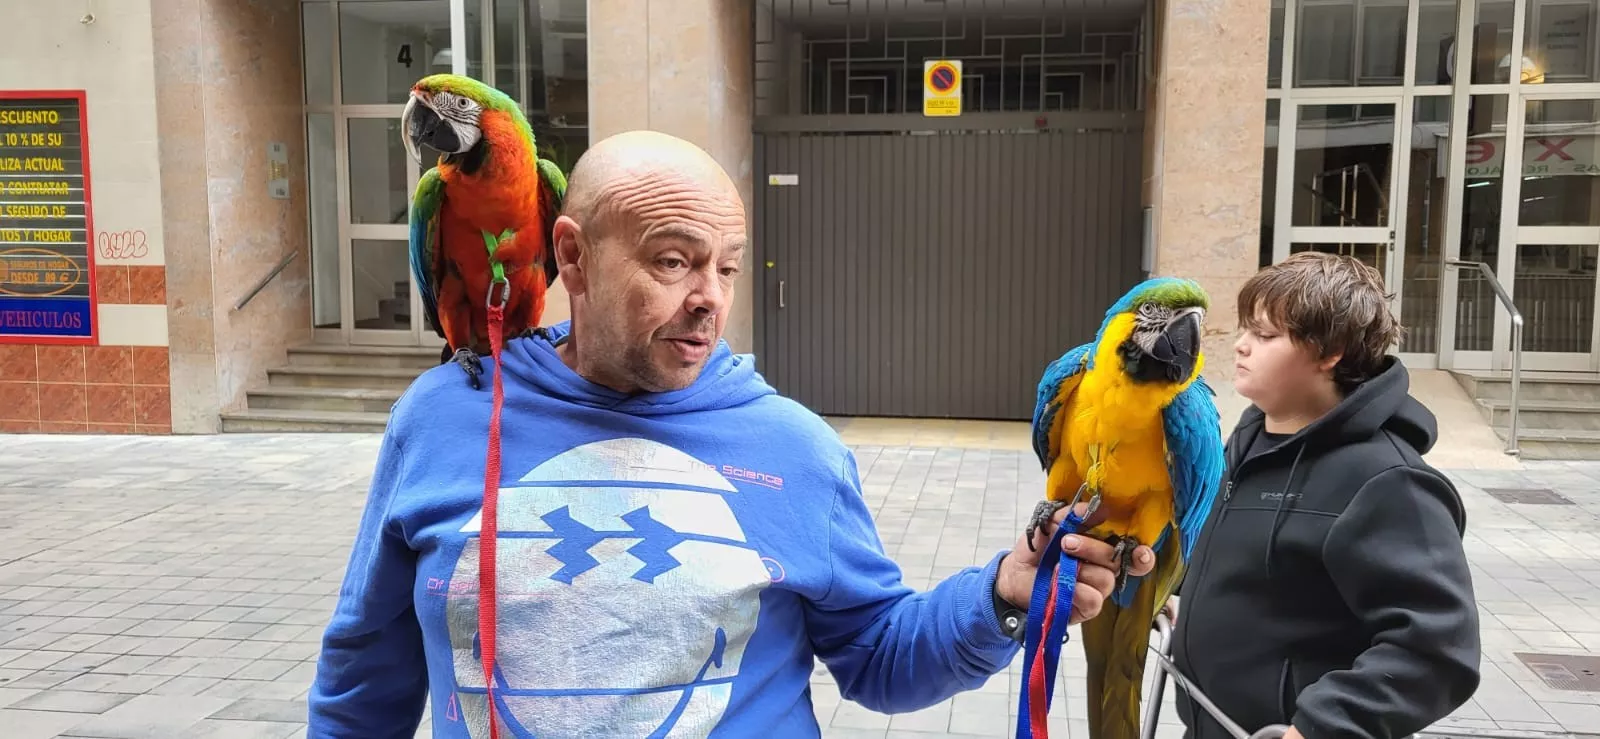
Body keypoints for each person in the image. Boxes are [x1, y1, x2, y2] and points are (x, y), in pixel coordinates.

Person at [306, 129, 1154, 737]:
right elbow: (363, 673)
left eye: (728, 265)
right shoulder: (442, 416)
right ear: (572, 257)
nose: (710, 295)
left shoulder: (795, 447)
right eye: (673, 260)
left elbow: (880, 657)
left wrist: (1003, 593)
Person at [1167, 251, 1481, 739]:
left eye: (1266, 335)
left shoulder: (1389, 481)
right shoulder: (1248, 441)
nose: (1240, 347)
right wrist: (1172, 591)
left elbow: (1437, 648)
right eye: (1244, 329)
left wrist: (1321, 728)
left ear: (1329, 351)